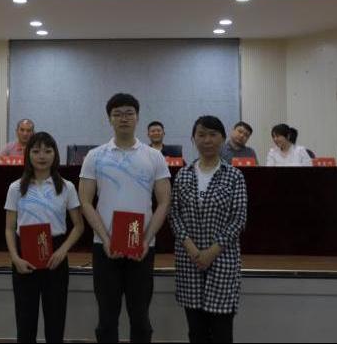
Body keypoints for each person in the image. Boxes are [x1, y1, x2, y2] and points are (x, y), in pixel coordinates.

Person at [79, 93, 172, 343]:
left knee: (140, 318)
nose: (124, 118)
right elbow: (85, 201)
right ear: (109, 119)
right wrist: (105, 239)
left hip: (142, 248)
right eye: (117, 114)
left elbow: (164, 202)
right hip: (104, 247)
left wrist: (146, 240)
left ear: (137, 117)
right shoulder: (95, 156)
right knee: (107, 319)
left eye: (129, 113)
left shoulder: (154, 156)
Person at [169, 115, 248, 343]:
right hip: (189, 260)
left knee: (222, 332)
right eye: (201, 135)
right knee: (196, 332)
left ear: (222, 138)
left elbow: (238, 219)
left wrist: (211, 252)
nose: (207, 140)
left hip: (222, 260)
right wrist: (193, 250)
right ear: (193, 139)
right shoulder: (183, 175)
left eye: (213, 135)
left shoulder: (234, 176)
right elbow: (174, 215)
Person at [5, 132, 84, 343]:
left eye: (47, 151)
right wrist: (15, 258)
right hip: (25, 256)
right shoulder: (15, 188)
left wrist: (62, 250)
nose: (42, 156)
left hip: (56, 255)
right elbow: (9, 228)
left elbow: (78, 226)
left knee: (55, 321)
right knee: (25, 322)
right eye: (36, 151)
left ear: (55, 154)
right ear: (28, 154)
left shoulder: (67, 187)